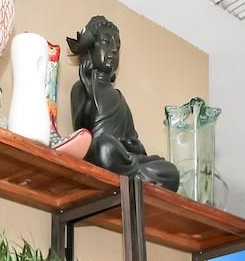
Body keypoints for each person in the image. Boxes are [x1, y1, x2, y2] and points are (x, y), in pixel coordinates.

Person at [66, 16, 179, 190]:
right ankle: (139, 178)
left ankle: (135, 176)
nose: (113, 50)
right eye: (106, 42)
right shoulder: (81, 88)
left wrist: (135, 150)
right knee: (104, 146)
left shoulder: (118, 97)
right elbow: (81, 133)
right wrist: (90, 89)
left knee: (171, 171)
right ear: (90, 48)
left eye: (117, 47)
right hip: (101, 152)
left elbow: (132, 141)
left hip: (124, 158)